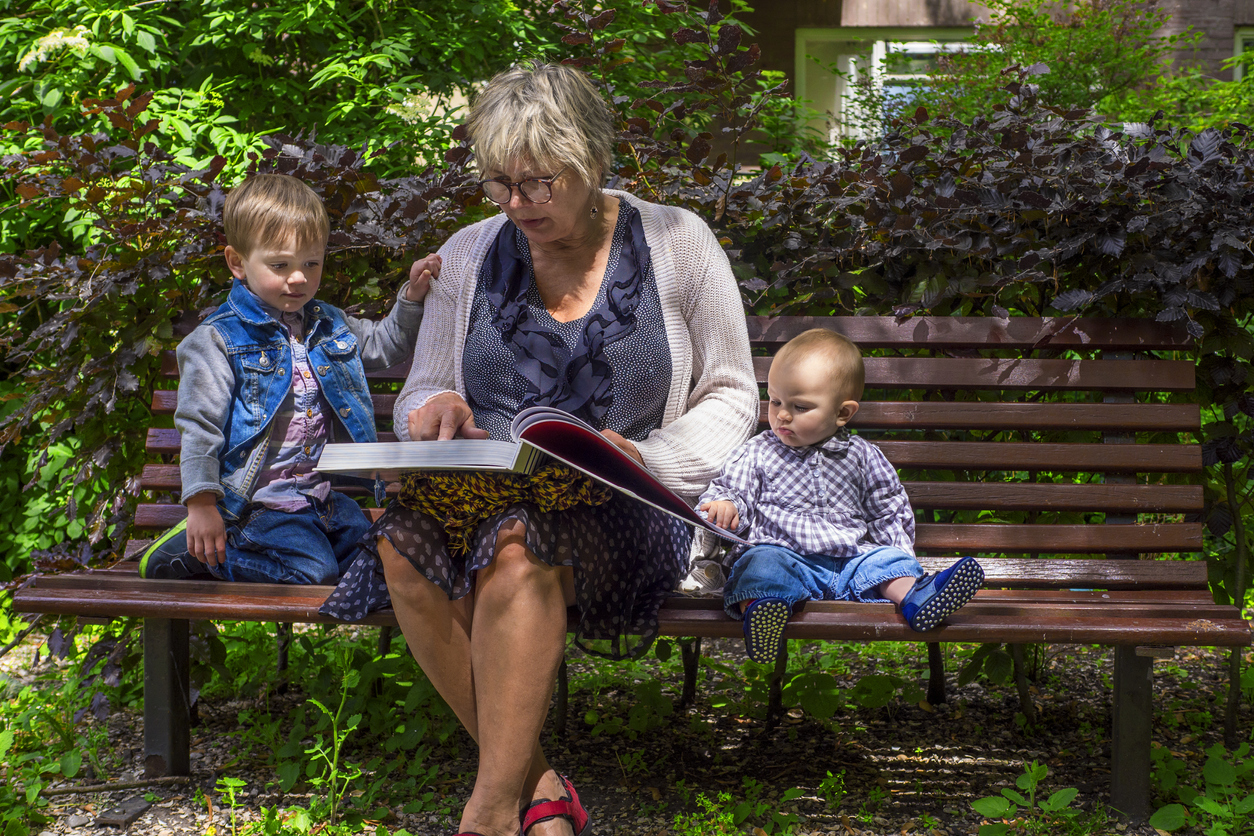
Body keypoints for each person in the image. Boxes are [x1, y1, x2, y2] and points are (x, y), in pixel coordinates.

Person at [319, 61, 758, 836]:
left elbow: (732, 393)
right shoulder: (468, 251)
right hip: (484, 492)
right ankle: (541, 789)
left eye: (537, 184)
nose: (516, 204)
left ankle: (489, 812)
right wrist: (436, 409)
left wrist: (646, 456)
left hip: (622, 505)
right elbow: (420, 390)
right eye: (498, 184)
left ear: (590, 161)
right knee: (401, 543)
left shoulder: (677, 240)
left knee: (517, 548)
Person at [140, 173, 429, 583]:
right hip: (254, 507)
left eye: (311, 263)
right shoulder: (218, 340)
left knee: (385, 560)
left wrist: (412, 298)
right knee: (315, 572)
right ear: (237, 262)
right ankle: (191, 558)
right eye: (280, 265)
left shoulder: (330, 324)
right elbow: (199, 427)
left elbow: (385, 344)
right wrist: (202, 506)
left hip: (320, 499)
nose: (299, 278)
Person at [698, 328, 984, 664]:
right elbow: (735, 489)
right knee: (759, 565)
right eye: (775, 401)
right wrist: (726, 506)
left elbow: (888, 508)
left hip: (851, 560)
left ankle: (917, 597)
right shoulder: (759, 451)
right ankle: (762, 614)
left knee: (888, 562)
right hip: (787, 558)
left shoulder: (863, 456)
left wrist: (895, 552)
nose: (782, 415)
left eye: (800, 406)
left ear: (843, 413)